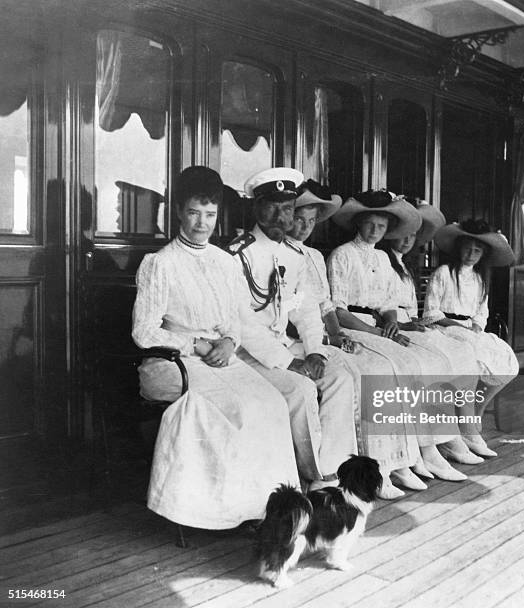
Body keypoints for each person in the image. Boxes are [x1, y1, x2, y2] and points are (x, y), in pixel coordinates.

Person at [132, 166, 299, 529]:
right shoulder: (160, 264)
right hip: (173, 360)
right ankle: (218, 511)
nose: (201, 223)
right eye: (193, 212)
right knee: (235, 407)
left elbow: (234, 320)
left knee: (269, 402)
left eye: (209, 215)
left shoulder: (225, 263)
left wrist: (227, 341)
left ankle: (261, 509)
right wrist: (196, 343)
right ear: (178, 211)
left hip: (219, 358)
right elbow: (144, 332)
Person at [328, 190, 482, 482]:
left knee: (422, 363)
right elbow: (337, 309)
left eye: (382, 226)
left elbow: (388, 304)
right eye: (370, 224)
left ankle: (429, 449)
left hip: (379, 325)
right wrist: (376, 331)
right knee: (392, 370)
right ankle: (390, 464)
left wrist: (390, 322)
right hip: (352, 325)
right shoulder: (342, 255)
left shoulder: (383, 260)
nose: (375, 231)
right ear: (358, 224)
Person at [286, 180, 427, 498]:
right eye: (300, 219)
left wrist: (335, 334)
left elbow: (324, 305)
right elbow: (319, 309)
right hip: (302, 339)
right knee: (369, 374)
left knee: (397, 365)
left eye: (312, 221)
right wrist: (336, 336)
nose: (306, 227)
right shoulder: (320, 255)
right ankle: (369, 468)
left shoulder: (314, 256)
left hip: (326, 335)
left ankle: (399, 461)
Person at [228, 168, 357, 491]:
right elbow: (242, 322)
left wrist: (314, 350)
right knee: (300, 389)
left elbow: (306, 311)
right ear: (256, 207)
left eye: (287, 208)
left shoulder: (293, 257)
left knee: (339, 376)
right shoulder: (237, 254)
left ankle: (334, 465)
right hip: (248, 353)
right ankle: (318, 476)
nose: (280, 216)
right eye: (271, 206)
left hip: (284, 345)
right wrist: (290, 363)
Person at [379, 200, 486, 459]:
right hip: (393, 327)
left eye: (413, 235)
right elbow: (380, 306)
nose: (407, 240)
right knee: (437, 362)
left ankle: (457, 433)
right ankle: (436, 443)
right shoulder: (382, 261)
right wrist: (406, 324)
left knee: (458, 355)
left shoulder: (404, 265)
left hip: (411, 325)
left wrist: (413, 323)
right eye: (402, 234)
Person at [424, 218, 520, 457]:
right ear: (459, 249)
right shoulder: (444, 273)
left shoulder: (479, 279)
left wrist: (476, 328)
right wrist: (458, 326)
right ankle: (466, 428)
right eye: (468, 248)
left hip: (469, 330)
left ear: (482, 255)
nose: (471, 254)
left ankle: (477, 410)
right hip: (444, 328)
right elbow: (431, 312)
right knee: (471, 355)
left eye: (477, 251)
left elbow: (482, 312)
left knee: (505, 358)